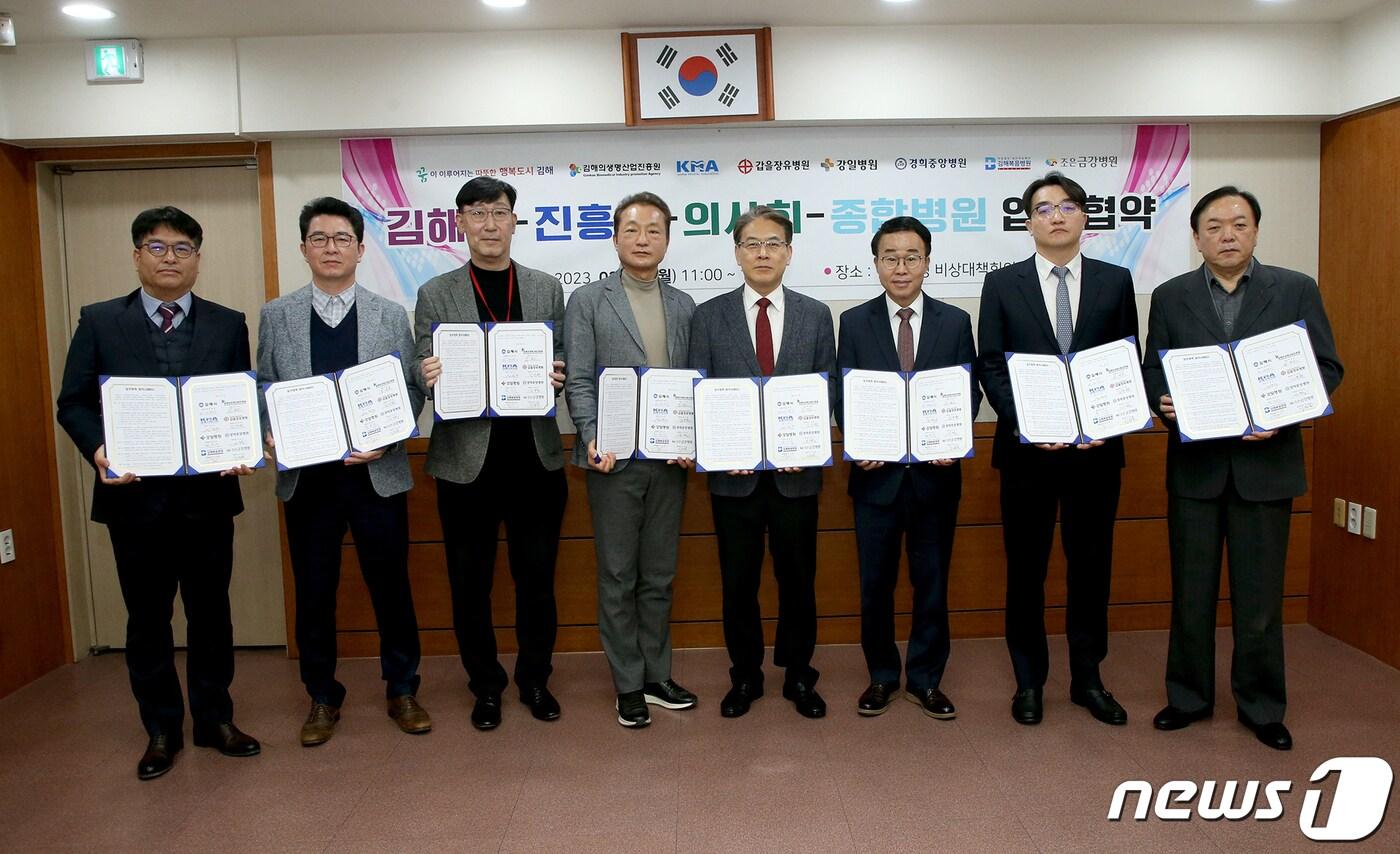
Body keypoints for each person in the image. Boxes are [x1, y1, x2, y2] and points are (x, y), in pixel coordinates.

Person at [56, 206, 261, 780]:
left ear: (197, 258)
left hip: (207, 501)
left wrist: (241, 444)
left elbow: (238, 400)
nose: (170, 258)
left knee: (211, 615)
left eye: (182, 248)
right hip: (134, 502)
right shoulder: (100, 321)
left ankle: (215, 720)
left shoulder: (228, 323)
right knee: (147, 619)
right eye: (157, 247)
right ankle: (161, 728)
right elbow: (72, 403)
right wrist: (99, 450)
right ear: (137, 255)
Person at [1142, 186, 1342, 751]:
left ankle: (1262, 706)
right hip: (1196, 471)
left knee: (1260, 600)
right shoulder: (1171, 296)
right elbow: (1154, 368)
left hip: (1266, 468)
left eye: (1238, 224)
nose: (1227, 235)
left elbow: (1326, 367)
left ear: (1255, 230)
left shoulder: (1295, 289)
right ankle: (1188, 698)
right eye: (1214, 226)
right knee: (1191, 595)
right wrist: (1162, 401)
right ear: (1196, 236)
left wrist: (1282, 414)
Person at [258, 197, 430, 746]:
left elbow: (410, 387)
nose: (330, 248)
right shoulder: (277, 315)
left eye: (341, 239)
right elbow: (264, 385)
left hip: (377, 476)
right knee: (314, 592)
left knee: (391, 587)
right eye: (319, 238)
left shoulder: (390, 314)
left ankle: (402, 688)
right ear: (303, 248)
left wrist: (387, 435)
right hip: (309, 481)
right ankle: (321, 696)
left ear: (360, 249)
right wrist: (270, 428)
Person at [976, 172, 1138, 727]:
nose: (1057, 216)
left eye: (1068, 206)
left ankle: (1088, 679)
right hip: (1027, 455)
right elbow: (991, 364)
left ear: (1085, 218)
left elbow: (1125, 359)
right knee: (1026, 572)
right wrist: (1029, 422)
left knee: (1091, 571)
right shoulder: (1003, 284)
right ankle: (1029, 681)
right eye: (1044, 208)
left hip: (1097, 455)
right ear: (1028, 222)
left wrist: (1109, 419)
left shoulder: (1116, 282)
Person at [415, 177, 568, 730]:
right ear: (460, 222)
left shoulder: (546, 288)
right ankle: (485, 686)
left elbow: (563, 357)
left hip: (535, 460)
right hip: (465, 464)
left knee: (537, 582)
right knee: (470, 584)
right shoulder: (436, 292)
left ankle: (535, 679)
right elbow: (420, 361)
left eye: (499, 212)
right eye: (477, 213)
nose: (488, 224)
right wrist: (427, 374)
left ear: (513, 221)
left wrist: (558, 374)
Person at [689, 205, 837, 719]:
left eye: (773, 243)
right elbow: (699, 390)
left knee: (798, 582)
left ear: (789, 252)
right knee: (739, 584)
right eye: (751, 244)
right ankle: (745, 676)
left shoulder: (816, 314)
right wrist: (718, 448)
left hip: (797, 478)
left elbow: (827, 385)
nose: (763, 253)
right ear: (736, 253)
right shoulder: (709, 316)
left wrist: (807, 443)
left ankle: (799, 675)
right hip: (734, 480)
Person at [836, 216, 980, 719]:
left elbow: (968, 392)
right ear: (876, 264)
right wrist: (856, 440)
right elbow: (844, 393)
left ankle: (925, 679)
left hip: (934, 478)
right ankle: (881, 676)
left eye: (911, 257)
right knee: (874, 585)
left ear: (927, 262)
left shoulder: (954, 321)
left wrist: (954, 439)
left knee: (932, 584)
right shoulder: (853, 322)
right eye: (890, 258)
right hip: (875, 479)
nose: (901, 267)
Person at [563, 192, 699, 728]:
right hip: (612, 460)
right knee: (618, 575)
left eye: (654, 230)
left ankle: (656, 674)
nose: (643, 239)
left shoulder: (684, 304)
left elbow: (693, 384)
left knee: (659, 575)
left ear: (667, 239)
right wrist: (591, 435)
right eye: (633, 230)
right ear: (615, 237)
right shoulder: (588, 301)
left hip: (669, 461)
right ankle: (627, 683)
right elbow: (578, 378)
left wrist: (694, 438)